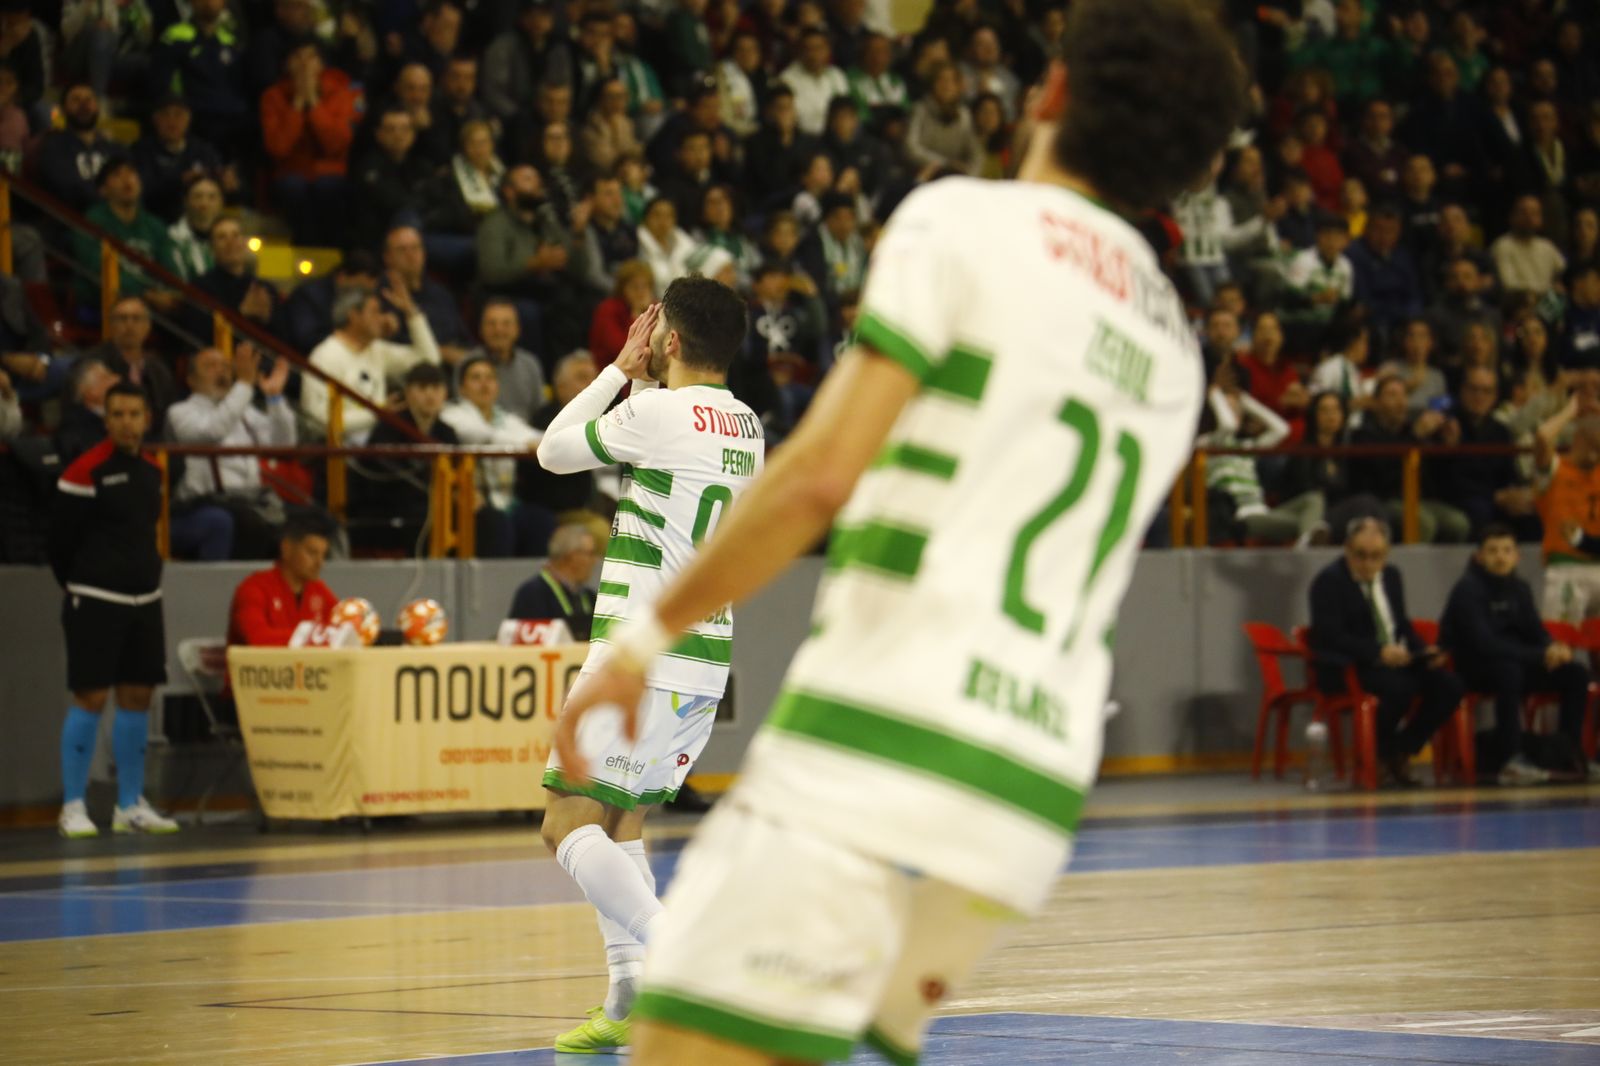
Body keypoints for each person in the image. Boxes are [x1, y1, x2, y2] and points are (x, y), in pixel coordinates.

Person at [548, 2, 1244, 1061]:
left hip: (889, 720)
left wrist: (643, 640)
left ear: (1050, 93)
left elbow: (820, 476)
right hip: (1038, 771)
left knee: (685, 1048)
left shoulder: (964, 222)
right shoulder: (1174, 342)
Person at [533, 277, 763, 1055]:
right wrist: (644, 378)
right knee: (619, 820)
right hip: (703, 656)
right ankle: (628, 992)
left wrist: (616, 371)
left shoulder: (657, 412)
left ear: (669, 339)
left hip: (636, 651)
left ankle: (679, 958)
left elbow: (553, 451)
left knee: (563, 823)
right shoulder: (748, 425)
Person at [51, 381, 180, 837]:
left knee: (138, 697)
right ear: (106, 421)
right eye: (118, 415)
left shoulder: (153, 471)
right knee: (91, 697)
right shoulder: (84, 471)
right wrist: (83, 584)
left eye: (134, 414)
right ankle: (73, 805)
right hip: (95, 599)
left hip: (144, 600)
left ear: (147, 419)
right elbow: (60, 541)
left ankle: (129, 804)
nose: (127, 423)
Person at [1308, 517, 1464, 786]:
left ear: (1387, 553)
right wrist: (1378, 652)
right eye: (1361, 555)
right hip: (1351, 665)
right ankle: (1380, 756)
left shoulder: (1391, 576)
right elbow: (1330, 636)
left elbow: (1401, 625)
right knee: (1400, 687)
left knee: (1449, 685)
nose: (1368, 563)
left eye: (1376, 556)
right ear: (1347, 550)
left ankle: (1401, 750)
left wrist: (1422, 651)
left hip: (1394, 662)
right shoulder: (1328, 582)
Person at [1440, 524, 1597, 785]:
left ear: (1517, 556)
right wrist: (1539, 654)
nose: (1500, 557)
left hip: (1517, 662)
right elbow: (1485, 644)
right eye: (1492, 551)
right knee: (1508, 671)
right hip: (1475, 668)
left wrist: (1553, 647)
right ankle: (1511, 759)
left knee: (1575, 674)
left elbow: (1536, 631)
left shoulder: (1520, 588)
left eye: (1506, 550)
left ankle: (1570, 754)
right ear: (1479, 556)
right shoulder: (1467, 590)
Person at [166, 345, 295, 560]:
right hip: (201, 504)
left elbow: (283, 444)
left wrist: (274, 398)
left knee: (313, 522)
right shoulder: (180, 412)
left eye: (226, 366)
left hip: (250, 500)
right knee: (239, 522)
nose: (221, 371)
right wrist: (244, 385)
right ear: (191, 380)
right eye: (210, 366)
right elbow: (212, 431)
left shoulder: (244, 411)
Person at [302, 279, 441, 443]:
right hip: (338, 448)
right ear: (354, 316)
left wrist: (411, 313)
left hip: (378, 443)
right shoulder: (324, 356)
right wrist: (377, 413)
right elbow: (318, 420)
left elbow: (429, 361)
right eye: (375, 312)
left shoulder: (377, 350)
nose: (382, 319)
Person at [441, 354, 543, 557]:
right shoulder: (452, 415)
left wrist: (538, 443)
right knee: (498, 524)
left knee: (541, 521)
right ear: (461, 388)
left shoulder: (506, 419)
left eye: (490, 378)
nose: (484, 384)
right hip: (470, 500)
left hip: (507, 500)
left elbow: (539, 438)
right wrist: (524, 444)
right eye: (476, 378)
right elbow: (482, 435)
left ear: (497, 386)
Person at [260, 39, 361, 245]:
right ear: (287, 63)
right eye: (298, 57)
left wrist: (314, 104)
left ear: (321, 63)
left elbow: (336, 144)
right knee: (293, 188)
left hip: (331, 170)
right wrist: (297, 105)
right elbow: (278, 148)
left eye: (311, 57)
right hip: (290, 171)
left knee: (329, 188)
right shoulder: (273, 96)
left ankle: (333, 250)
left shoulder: (340, 92)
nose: (304, 64)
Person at [353, 362, 457, 552]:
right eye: (422, 388)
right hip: (388, 503)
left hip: (433, 500)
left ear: (445, 394)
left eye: (436, 388)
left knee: (480, 514)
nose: (430, 395)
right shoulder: (390, 426)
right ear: (408, 393)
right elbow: (382, 474)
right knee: (425, 514)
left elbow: (456, 469)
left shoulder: (447, 432)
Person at [226, 514, 337, 647]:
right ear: (286, 548)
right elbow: (257, 638)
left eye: (323, 555)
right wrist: (314, 637)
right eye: (312, 553)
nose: (320, 563)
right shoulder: (253, 589)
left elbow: (342, 633)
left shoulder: (319, 591)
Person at [1534, 410, 1600, 622]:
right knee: (1562, 639)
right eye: (1590, 443)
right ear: (1577, 439)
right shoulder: (1555, 469)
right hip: (1566, 568)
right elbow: (1543, 436)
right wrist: (1572, 408)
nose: (1594, 452)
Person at [93, 295, 179, 430]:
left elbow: (167, 418)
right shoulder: (92, 365)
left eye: (136, 318)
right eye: (122, 318)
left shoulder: (159, 369)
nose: (129, 325)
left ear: (148, 326)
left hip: (154, 440)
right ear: (111, 325)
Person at [507, 521, 599, 639]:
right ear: (572, 556)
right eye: (590, 554)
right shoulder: (532, 594)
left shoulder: (589, 597)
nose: (594, 561)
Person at [461, 300, 546, 421]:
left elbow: (540, 411)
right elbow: (461, 408)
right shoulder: (466, 364)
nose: (499, 330)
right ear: (481, 329)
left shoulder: (530, 364)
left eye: (506, 324)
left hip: (526, 431)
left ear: (517, 329)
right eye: (492, 324)